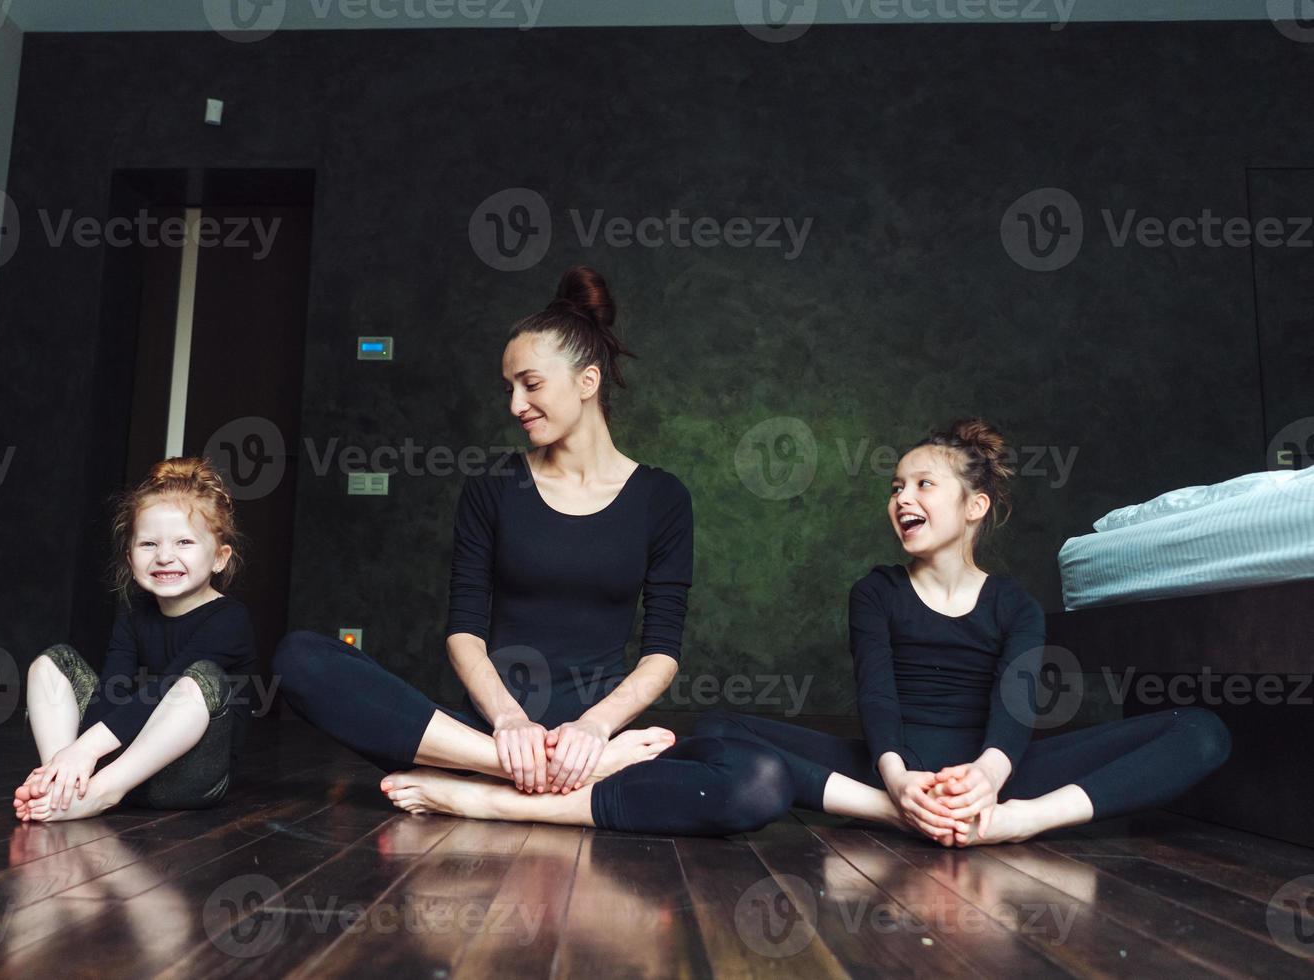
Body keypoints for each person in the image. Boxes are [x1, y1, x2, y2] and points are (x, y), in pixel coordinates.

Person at [274, 266, 791, 836]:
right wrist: (508, 728)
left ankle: (492, 799)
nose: (515, 404)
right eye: (509, 389)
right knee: (299, 657)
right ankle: (502, 775)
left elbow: (661, 652)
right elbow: (464, 631)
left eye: (531, 384)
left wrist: (594, 732)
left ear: (587, 381)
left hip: (594, 745)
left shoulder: (662, 498)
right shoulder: (492, 489)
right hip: (478, 736)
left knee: (757, 777)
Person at [698, 418, 1231, 845]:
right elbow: (877, 694)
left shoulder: (1015, 604)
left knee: (1202, 731)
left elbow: (1015, 705)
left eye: (923, 484)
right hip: (887, 773)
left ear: (974, 506)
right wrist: (899, 784)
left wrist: (988, 781)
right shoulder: (876, 591)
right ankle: (894, 816)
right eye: (896, 488)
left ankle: (1015, 822)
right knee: (717, 726)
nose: (902, 498)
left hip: (995, 777)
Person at [12, 458, 255, 822]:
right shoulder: (134, 612)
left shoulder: (229, 619)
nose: (165, 556)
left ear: (220, 558)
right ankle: (63, 782)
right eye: (148, 544)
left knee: (197, 679)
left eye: (184, 542)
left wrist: (88, 748)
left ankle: (99, 792)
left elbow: (165, 691)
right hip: (123, 765)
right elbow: (111, 691)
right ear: (130, 557)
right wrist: (76, 756)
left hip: (186, 778)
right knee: (51, 662)